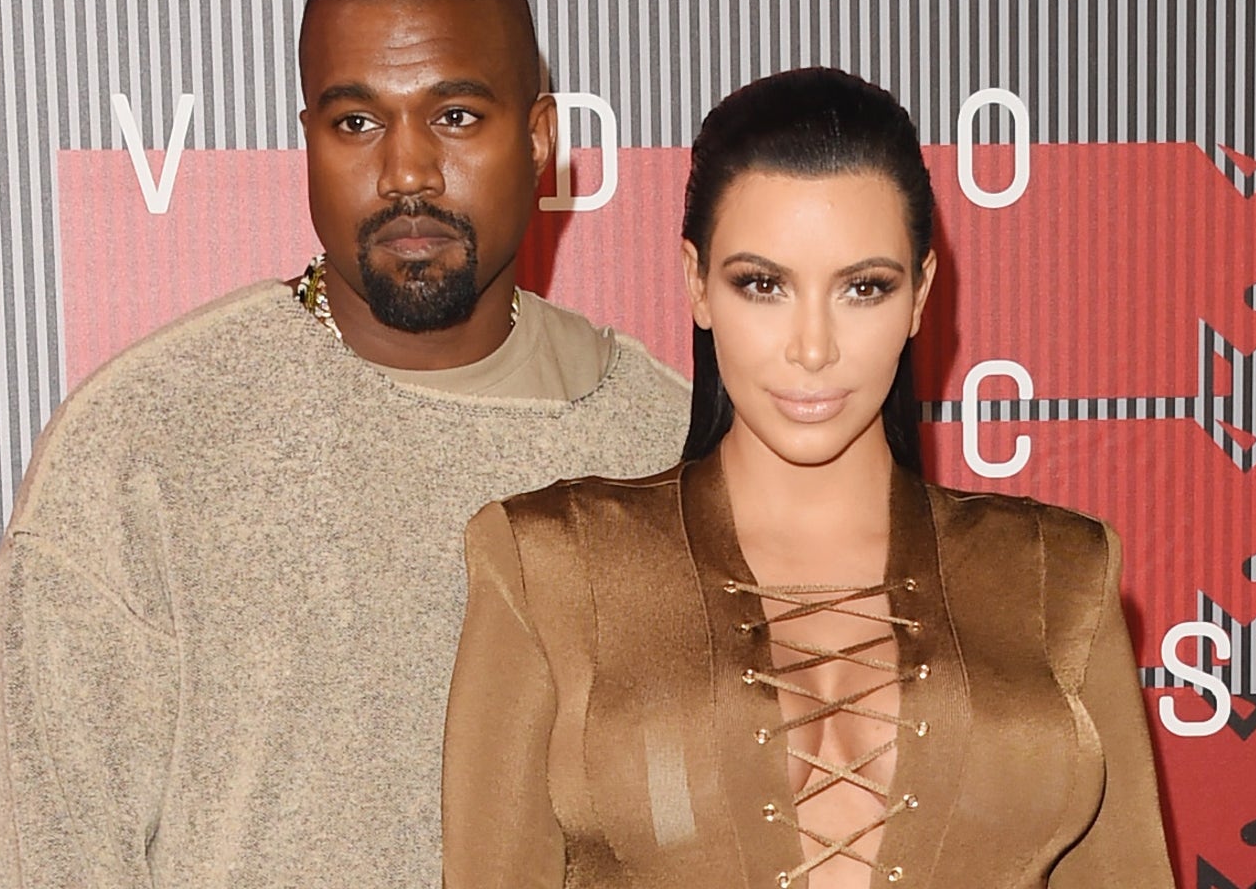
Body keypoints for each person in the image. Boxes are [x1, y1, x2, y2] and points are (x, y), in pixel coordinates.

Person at [0, 0, 690, 888]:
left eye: (457, 116)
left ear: (539, 137)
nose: (406, 171)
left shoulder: (667, 446)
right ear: (307, 139)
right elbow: (46, 852)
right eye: (356, 122)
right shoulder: (146, 440)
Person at [443, 68, 1173, 889]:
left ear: (920, 294)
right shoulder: (552, 568)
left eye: (864, 288)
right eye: (764, 284)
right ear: (697, 284)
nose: (813, 347)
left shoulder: (1057, 575)